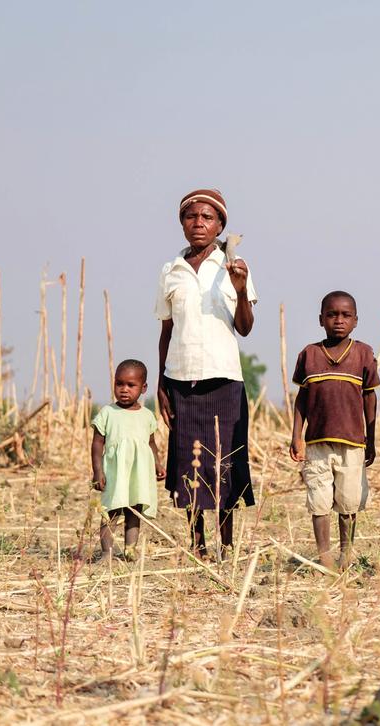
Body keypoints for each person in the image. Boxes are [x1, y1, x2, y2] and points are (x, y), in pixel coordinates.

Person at [155, 189, 257, 559]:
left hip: (224, 380)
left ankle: (226, 546)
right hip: (181, 380)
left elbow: (245, 328)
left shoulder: (233, 267)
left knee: (224, 463)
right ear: (182, 223)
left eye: (207, 218)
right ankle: (197, 545)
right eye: (191, 217)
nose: (198, 223)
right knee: (189, 463)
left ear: (220, 226)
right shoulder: (171, 271)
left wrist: (241, 290)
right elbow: (166, 332)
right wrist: (162, 384)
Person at [290, 291, 378, 570]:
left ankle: (347, 556)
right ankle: (325, 558)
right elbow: (301, 400)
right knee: (319, 501)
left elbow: (369, 398)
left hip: (353, 443)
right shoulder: (310, 354)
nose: (338, 320)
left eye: (345, 315)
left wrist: (371, 439)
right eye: (332, 315)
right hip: (317, 443)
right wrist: (296, 436)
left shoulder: (363, 353)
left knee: (350, 502)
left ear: (355, 321)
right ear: (321, 319)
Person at [90, 359, 165, 561]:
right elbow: (97, 444)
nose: (124, 389)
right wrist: (98, 472)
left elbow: (151, 443)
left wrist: (157, 463)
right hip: (115, 472)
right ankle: (107, 552)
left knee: (134, 513)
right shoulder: (107, 413)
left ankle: (130, 550)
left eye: (131, 385)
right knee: (111, 512)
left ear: (143, 388)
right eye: (119, 384)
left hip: (138, 473)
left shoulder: (147, 415)